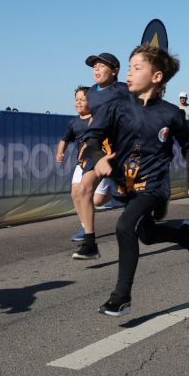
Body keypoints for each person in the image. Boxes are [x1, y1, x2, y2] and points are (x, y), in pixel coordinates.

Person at [83, 44, 189, 317]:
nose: (129, 74)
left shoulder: (171, 114)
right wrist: (98, 156)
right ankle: (182, 233)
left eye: (137, 68)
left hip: (154, 184)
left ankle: (121, 296)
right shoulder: (116, 106)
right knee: (146, 236)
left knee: (125, 227)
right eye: (128, 68)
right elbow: (91, 138)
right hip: (124, 184)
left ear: (156, 77)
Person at [71, 52, 129, 260]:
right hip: (100, 150)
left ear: (115, 71)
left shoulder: (123, 89)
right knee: (84, 190)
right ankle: (90, 244)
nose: (96, 69)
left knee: (127, 195)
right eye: (94, 66)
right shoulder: (92, 93)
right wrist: (87, 142)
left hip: (123, 148)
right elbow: (94, 120)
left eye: (101, 66)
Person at [56, 86, 109, 242]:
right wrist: (61, 152)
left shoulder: (99, 120)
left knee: (97, 201)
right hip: (82, 164)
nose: (78, 102)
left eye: (82, 99)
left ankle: (121, 193)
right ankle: (85, 227)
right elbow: (64, 140)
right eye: (76, 100)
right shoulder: (73, 122)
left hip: (99, 164)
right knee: (76, 193)